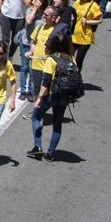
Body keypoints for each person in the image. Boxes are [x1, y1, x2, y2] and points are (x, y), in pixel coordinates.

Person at [28, 33, 76, 161]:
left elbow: (46, 81)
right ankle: (50, 154)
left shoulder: (51, 60)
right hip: (64, 96)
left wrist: (39, 98)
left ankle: (38, 147)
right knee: (57, 123)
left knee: (36, 117)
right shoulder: (71, 58)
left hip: (51, 95)